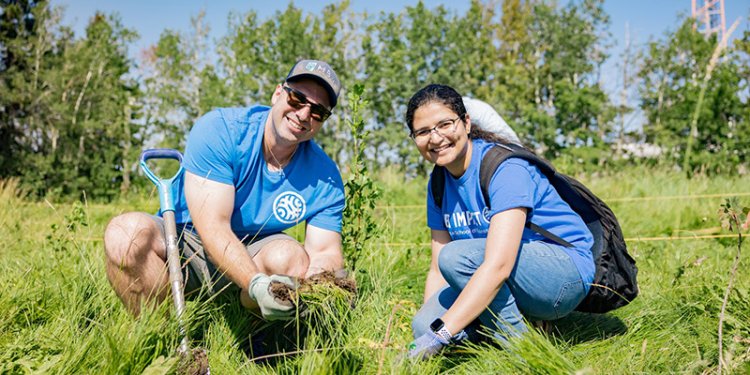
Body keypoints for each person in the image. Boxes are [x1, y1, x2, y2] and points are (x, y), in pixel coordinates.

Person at [104, 59, 345, 322]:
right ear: (278, 94)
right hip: (187, 242)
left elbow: (325, 252)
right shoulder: (221, 131)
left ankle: (253, 340)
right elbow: (213, 227)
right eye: (297, 99)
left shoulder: (326, 177)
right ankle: (165, 340)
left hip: (255, 251)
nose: (303, 114)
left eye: (317, 111)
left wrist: (320, 287)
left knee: (291, 259)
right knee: (124, 235)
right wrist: (255, 284)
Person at [405, 84, 595, 359]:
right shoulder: (438, 182)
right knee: (423, 324)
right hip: (502, 272)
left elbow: (498, 264)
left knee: (456, 258)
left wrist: (442, 334)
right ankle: (525, 322)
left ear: (466, 123)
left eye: (445, 124)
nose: (435, 138)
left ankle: (525, 351)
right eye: (423, 132)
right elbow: (436, 268)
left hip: (563, 274)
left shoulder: (503, 167)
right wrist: (429, 328)